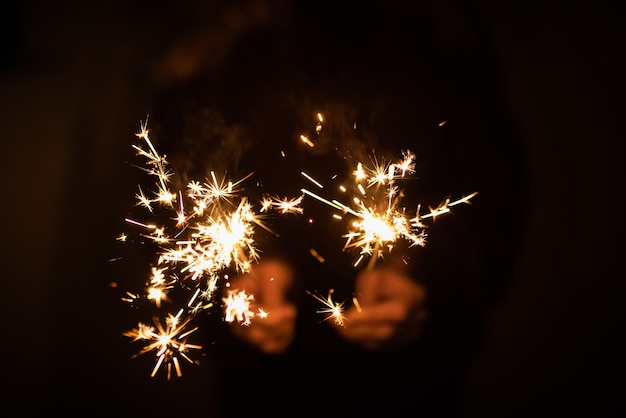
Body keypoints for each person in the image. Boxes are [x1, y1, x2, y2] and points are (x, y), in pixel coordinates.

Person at [146, 1, 526, 417]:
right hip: (261, 391)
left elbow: (491, 205)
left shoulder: (442, 40)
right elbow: (174, 195)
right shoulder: (214, 48)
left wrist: (415, 265)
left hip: (412, 390)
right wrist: (252, 265)